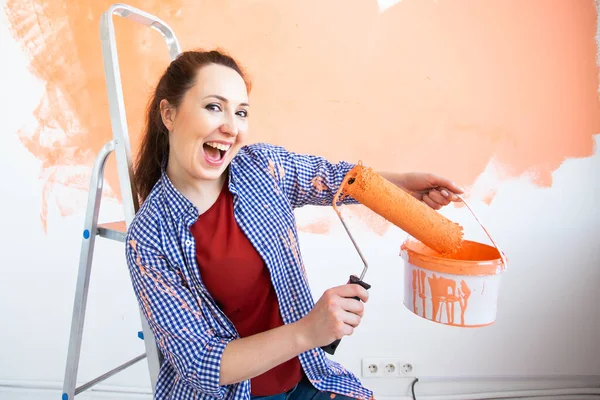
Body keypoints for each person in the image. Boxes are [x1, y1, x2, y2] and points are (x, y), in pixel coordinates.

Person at [125, 49, 464, 400]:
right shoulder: (150, 236)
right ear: (168, 114)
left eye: (241, 112)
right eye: (214, 107)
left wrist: (403, 185)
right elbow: (200, 363)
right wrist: (308, 332)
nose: (231, 127)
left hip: (310, 376)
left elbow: (333, 178)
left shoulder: (261, 168)